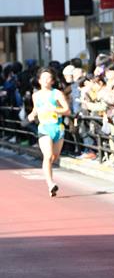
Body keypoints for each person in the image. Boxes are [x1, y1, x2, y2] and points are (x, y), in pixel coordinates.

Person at [27, 68, 70, 197]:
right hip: (44, 128)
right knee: (48, 155)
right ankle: (50, 184)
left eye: (48, 78)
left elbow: (67, 110)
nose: (46, 80)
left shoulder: (57, 94)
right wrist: (32, 114)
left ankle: (50, 181)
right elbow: (36, 109)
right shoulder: (36, 95)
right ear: (39, 80)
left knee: (54, 157)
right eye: (43, 78)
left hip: (57, 128)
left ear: (52, 80)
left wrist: (56, 109)